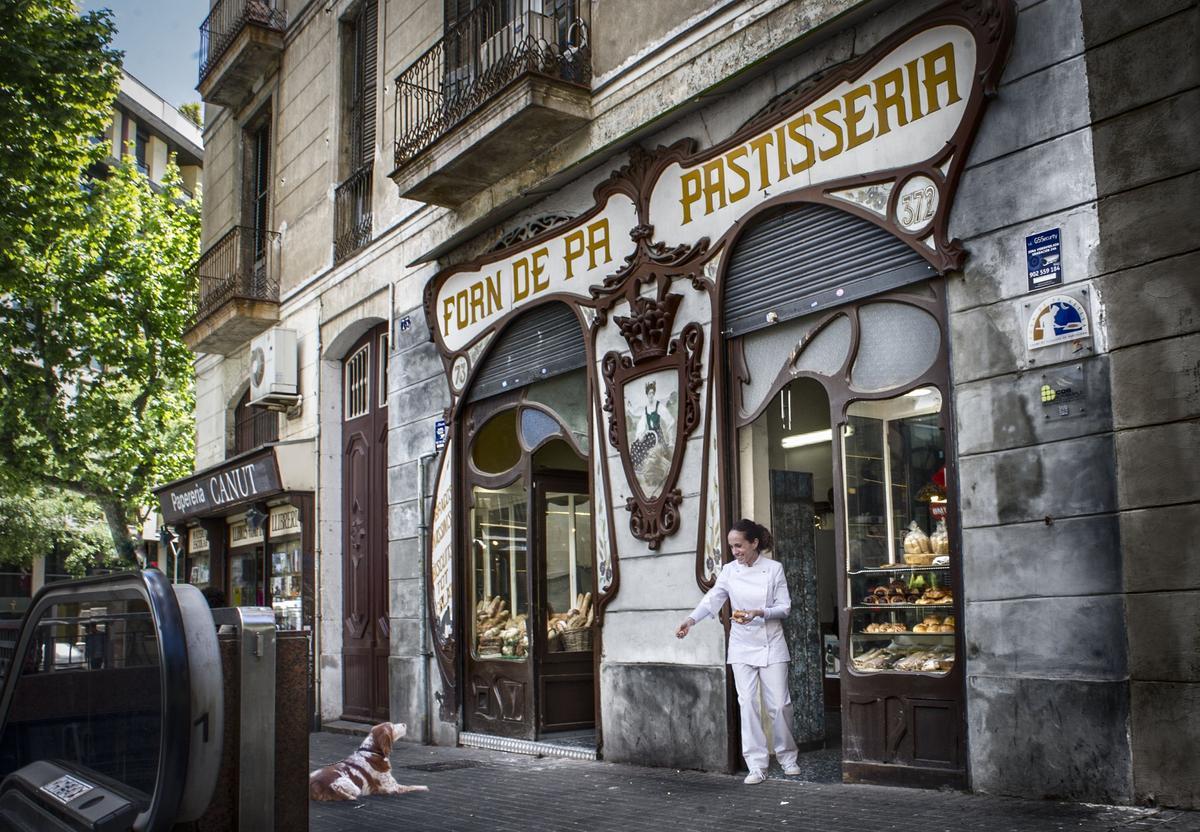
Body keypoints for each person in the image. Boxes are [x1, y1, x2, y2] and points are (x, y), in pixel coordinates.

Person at [676, 518, 800, 784]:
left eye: (739, 546)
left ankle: (788, 757)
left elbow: (785, 607)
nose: (735, 551)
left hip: (772, 642)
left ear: (754, 543)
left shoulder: (774, 569)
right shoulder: (730, 571)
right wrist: (690, 620)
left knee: (780, 704)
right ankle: (756, 765)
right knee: (748, 704)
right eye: (732, 547)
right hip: (742, 644)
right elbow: (713, 599)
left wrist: (759, 612)